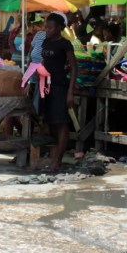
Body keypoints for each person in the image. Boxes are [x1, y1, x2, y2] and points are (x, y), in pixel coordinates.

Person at [38, 13, 78, 172]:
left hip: (60, 87)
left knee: (61, 122)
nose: (46, 30)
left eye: (50, 27)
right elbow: (43, 61)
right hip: (46, 86)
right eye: (46, 27)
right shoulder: (46, 41)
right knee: (50, 122)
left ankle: (57, 161)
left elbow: (74, 68)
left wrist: (70, 93)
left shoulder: (65, 44)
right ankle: (57, 154)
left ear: (60, 28)